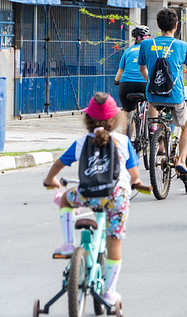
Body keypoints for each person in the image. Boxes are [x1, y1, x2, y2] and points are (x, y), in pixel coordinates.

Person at [43, 93, 142, 306]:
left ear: (87, 119)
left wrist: (50, 179)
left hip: (88, 194)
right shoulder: (123, 141)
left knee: (66, 200)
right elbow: (134, 175)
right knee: (114, 243)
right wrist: (135, 182)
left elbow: (60, 163)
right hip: (116, 197)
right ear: (116, 119)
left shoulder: (82, 142)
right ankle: (110, 292)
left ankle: (69, 243)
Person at [139, 8, 187, 186]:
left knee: (159, 117)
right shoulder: (182, 46)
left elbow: (142, 69)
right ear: (176, 26)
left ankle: (160, 141)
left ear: (158, 25)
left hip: (153, 95)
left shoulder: (146, 45)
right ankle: (180, 160)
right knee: (186, 126)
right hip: (175, 96)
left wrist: (152, 82)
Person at [114, 26, 150, 112]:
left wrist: (116, 81)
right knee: (153, 105)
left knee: (127, 111)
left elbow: (121, 70)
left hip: (126, 85)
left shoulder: (128, 51)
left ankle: (130, 123)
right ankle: (151, 123)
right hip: (144, 84)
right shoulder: (150, 50)